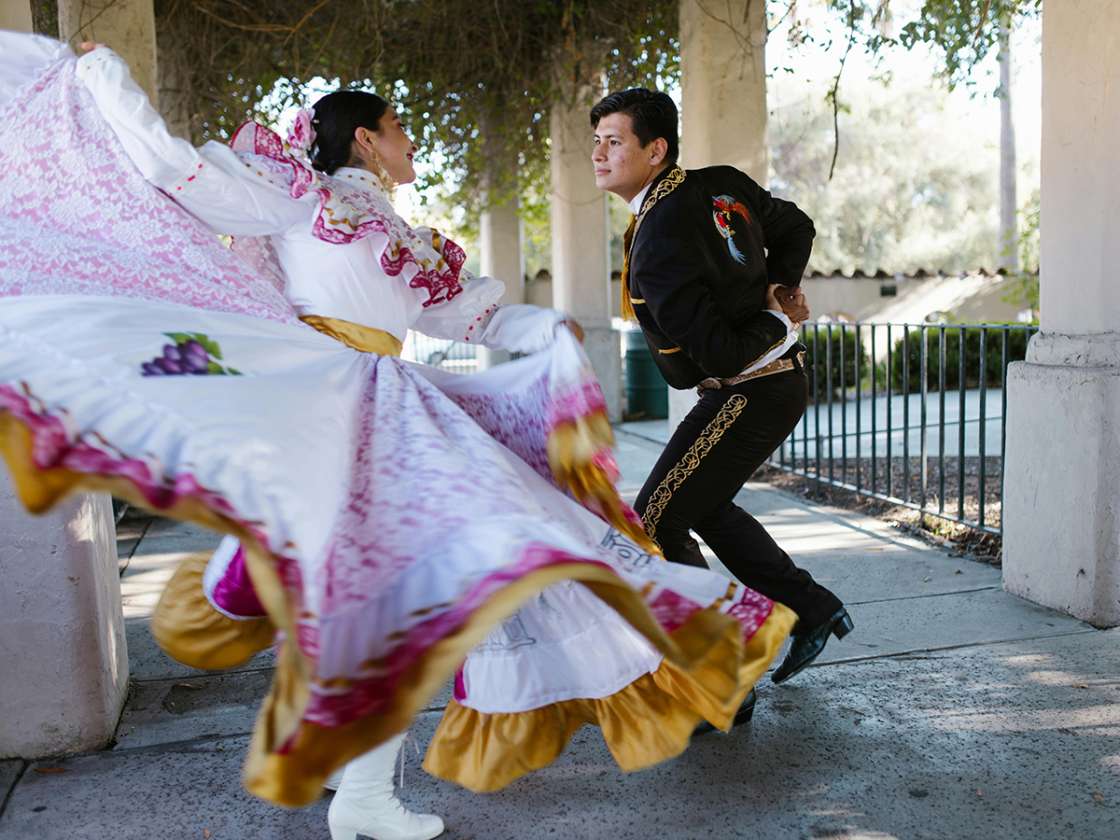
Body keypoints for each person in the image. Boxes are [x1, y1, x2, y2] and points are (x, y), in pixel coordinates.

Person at [0, 35, 796, 840]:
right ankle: (356, 784)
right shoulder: (299, 194)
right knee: (380, 590)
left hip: (377, 400)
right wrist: (104, 77)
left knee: (385, 589)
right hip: (319, 399)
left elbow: (467, 314)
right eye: (399, 126)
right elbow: (176, 170)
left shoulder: (395, 230)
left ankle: (351, 778)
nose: (411, 140)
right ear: (366, 140)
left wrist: (545, 332)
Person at [590, 87, 853, 688]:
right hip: (760, 386)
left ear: (655, 150)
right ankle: (810, 610)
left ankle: (718, 677)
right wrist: (782, 289)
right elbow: (798, 228)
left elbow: (724, 353)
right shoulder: (719, 182)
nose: (599, 155)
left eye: (614, 142)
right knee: (699, 506)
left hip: (751, 388)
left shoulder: (657, 239)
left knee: (656, 517)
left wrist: (779, 316)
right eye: (596, 142)